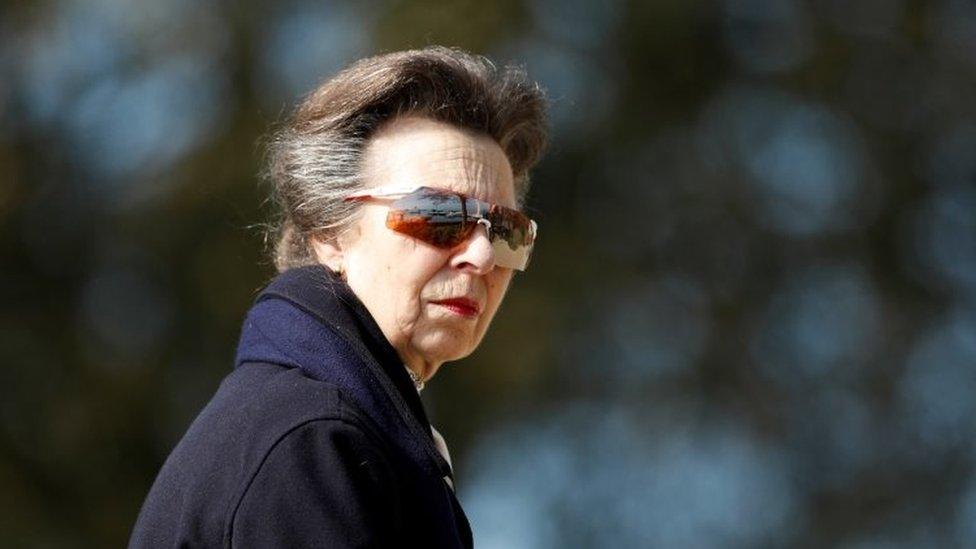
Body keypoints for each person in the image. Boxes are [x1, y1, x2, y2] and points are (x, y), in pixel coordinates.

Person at [129, 46, 548, 548]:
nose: (481, 257)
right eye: (439, 215)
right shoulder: (311, 441)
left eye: (507, 231)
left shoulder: (329, 427)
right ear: (329, 231)